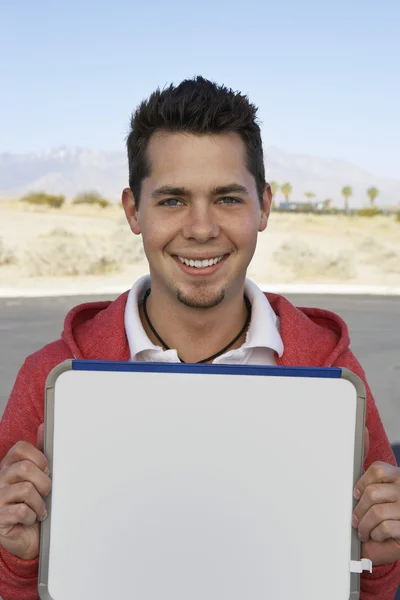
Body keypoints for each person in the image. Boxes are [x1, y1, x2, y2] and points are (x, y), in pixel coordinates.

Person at [0, 76, 399, 600]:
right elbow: (24, 583)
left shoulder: (332, 377)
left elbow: (360, 582)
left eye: (228, 198)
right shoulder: (52, 379)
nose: (202, 228)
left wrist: (382, 561)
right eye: (172, 200)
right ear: (132, 211)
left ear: (264, 207)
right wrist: (18, 561)